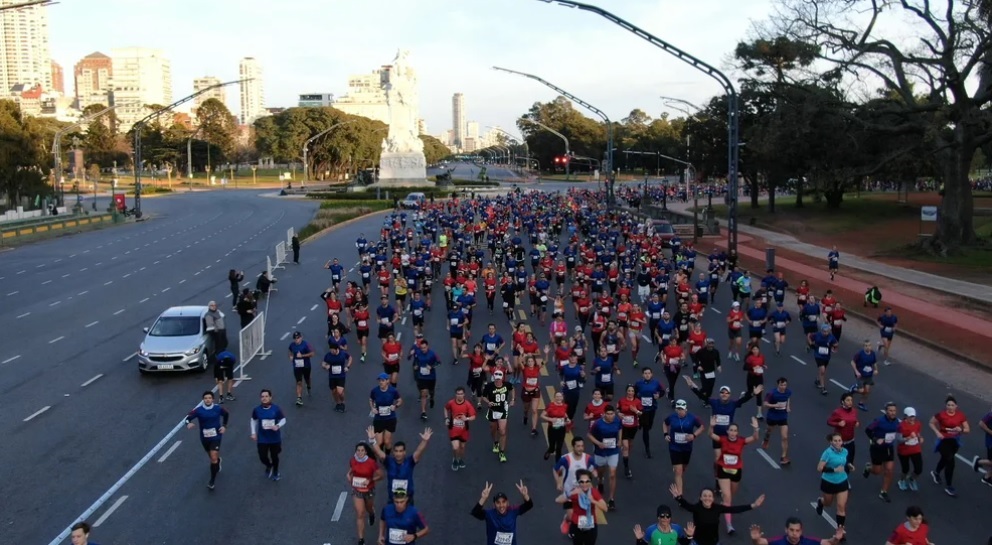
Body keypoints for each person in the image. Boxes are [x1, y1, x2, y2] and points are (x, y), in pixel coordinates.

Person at [709, 416, 760, 535]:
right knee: (727, 497)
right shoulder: (723, 439)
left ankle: (725, 504)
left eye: (735, 431)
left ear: (737, 433)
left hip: (736, 471)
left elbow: (754, 438)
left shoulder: (741, 441)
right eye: (731, 430)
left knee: (731, 496)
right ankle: (729, 525)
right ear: (727, 431)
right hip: (723, 470)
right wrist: (711, 426)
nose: (732, 433)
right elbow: (711, 435)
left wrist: (756, 428)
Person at [670, 483, 764, 545]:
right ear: (701, 498)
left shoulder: (717, 508)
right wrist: (678, 498)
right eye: (705, 496)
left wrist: (753, 505)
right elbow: (686, 505)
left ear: (713, 498)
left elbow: (734, 509)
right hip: (698, 542)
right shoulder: (697, 508)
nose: (707, 498)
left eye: (710, 496)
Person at [367, 426, 433, 504]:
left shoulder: (410, 462)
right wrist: (372, 440)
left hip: (407, 500)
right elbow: (378, 452)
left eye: (401, 451)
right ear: (393, 452)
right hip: (392, 500)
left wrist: (424, 441)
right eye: (396, 451)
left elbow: (419, 451)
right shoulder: (389, 461)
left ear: (404, 452)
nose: (398, 454)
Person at [185, 390, 230, 490]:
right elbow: (188, 418)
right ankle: (218, 460)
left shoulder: (218, 408)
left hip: (216, 436)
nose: (208, 400)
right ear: (203, 400)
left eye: (209, 398)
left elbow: (226, 414)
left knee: (213, 458)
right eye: (205, 398)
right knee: (212, 457)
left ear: (213, 399)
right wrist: (188, 423)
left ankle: (212, 481)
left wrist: (224, 426)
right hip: (204, 437)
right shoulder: (198, 410)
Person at [554, 436, 599, 536]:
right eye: (578, 446)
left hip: (583, 493)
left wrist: (595, 474)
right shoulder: (565, 459)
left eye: (582, 446)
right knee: (571, 516)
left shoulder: (588, 459)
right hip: (569, 492)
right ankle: (567, 520)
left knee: (580, 515)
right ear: (573, 447)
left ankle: (577, 531)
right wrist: (558, 482)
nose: (580, 448)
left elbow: (594, 470)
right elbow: (556, 470)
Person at [928, 394, 969, 496]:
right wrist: (937, 432)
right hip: (943, 440)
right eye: (948, 405)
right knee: (950, 461)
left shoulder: (960, 415)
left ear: (956, 406)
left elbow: (967, 429)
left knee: (945, 459)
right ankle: (949, 486)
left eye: (952, 405)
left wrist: (961, 429)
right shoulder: (941, 415)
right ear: (945, 406)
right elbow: (931, 423)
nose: (950, 407)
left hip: (954, 441)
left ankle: (936, 472)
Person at [470, 480, 533, 545]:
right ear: (494, 504)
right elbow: (475, 512)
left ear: (507, 503)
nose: (501, 505)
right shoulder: (489, 514)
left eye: (503, 502)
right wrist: (483, 498)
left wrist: (525, 495)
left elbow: (529, 505)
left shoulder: (513, 511)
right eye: (498, 502)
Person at [555, 468, 607, 545]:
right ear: (578, 482)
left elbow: (605, 508)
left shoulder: (594, 492)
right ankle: (566, 520)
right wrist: (570, 494)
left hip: (591, 525)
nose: (584, 484)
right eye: (582, 481)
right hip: (576, 525)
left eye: (587, 481)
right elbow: (557, 500)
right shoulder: (574, 491)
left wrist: (593, 501)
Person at [815, 433, 853, 536]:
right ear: (831, 442)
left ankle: (840, 530)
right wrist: (834, 470)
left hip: (842, 481)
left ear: (842, 441)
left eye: (839, 440)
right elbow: (819, 468)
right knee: (828, 503)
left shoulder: (845, 451)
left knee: (841, 506)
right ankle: (821, 502)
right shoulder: (827, 453)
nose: (837, 443)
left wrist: (849, 465)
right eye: (835, 441)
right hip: (828, 482)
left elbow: (844, 462)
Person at [664, 399, 705, 494]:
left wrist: (694, 435)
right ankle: (680, 495)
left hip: (687, 447)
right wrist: (665, 434)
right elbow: (665, 423)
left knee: (683, 467)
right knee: (678, 471)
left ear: (686, 409)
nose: (680, 411)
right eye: (678, 409)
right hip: (674, 447)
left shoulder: (692, 418)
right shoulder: (672, 417)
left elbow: (702, 426)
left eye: (682, 409)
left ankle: (680, 471)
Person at [862, 401, 900, 502]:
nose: (893, 413)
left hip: (889, 448)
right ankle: (868, 468)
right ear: (886, 411)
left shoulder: (897, 422)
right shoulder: (879, 421)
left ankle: (884, 492)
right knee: (877, 471)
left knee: (889, 470)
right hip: (877, 448)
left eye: (894, 411)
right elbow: (868, 430)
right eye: (890, 410)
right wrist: (875, 439)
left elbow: (900, 432)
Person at [589, 404, 622, 511]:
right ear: (604, 414)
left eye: (612, 414)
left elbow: (620, 429)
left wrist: (620, 439)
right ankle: (600, 481)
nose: (610, 416)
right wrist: (598, 443)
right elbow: (589, 435)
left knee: (612, 474)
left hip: (613, 451)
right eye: (608, 414)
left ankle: (611, 499)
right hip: (601, 452)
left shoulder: (617, 421)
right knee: (600, 471)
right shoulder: (598, 424)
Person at [349, 442, 383, 545]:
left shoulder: (371, 463)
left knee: (369, 508)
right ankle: (361, 540)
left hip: (369, 490)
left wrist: (370, 480)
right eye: (358, 450)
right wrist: (349, 475)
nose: (360, 453)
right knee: (360, 513)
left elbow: (381, 475)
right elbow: (352, 470)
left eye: (362, 450)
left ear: (366, 452)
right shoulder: (353, 460)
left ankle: (372, 513)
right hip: (357, 489)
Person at [250, 388, 286, 481]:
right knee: (262, 456)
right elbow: (253, 420)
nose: (264, 398)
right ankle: (269, 465)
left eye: (266, 396)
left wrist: (277, 426)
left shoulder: (276, 409)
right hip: (262, 438)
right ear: (260, 398)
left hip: (274, 438)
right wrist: (253, 433)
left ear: (270, 397)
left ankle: (276, 471)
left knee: (275, 456)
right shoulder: (257, 410)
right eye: (262, 396)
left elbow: (283, 419)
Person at [444, 387, 478, 471]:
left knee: (462, 447)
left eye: (461, 394)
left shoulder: (467, 404)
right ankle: (455, 460)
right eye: (458, 394)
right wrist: (446, 418)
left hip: (464, 430)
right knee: (456, 447)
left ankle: (460, 459)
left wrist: (466, 418)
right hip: (453, 429)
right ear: (455, 394)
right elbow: (445, 408)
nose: (459, 396)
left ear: (464, 394)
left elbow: (473, 416)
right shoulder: (451, 403)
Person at [484, 370, 514, 463]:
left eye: (499, 379)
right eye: (496, 379)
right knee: (493, 429)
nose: (497, 381)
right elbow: (483, 396)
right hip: (493, 410)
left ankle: (502, 452)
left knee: (502, 431)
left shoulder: (507, 385)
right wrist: (488, 402)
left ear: (502, 379)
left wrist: (513, 399)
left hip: (503, 410)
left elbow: (512, 388)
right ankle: (495, 442)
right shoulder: (489, 386)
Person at [762, 377, 792, 465]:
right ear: (778, 385)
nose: (783, 387)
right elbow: (765, 404)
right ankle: (766, 440)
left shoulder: (788, 392)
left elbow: (788, 398)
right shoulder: (771, 393)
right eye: (781, 385)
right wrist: (775, 405)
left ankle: (783, 457)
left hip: (782, 416)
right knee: (769, 431)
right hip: (772, 416)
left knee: (785, 437)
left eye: (785, 385)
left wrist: (788, 406)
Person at [749, 517, 845, 545]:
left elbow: (828, 543)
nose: (794, 533)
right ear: (786, 530)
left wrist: (836, 538)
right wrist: (755, 539)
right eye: (791, 530)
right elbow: (760, 542)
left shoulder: (808, 541)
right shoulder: (778, 541)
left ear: (801, 531)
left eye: (797, 530)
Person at [897, 407, 924, 491]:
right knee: (905, 469)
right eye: (910, 417)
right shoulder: (900, 426)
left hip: (915, 449)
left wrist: (920, 438)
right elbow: (899, 439)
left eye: (913, 416)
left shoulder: (918, 424)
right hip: (904, 450)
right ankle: (901, 480)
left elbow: (918, 433)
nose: (912, 418)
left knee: (919, 469)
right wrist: (908, 437)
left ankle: (912, 479)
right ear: (905, 416)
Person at [848, 340, 878, 411]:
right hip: (860, 375)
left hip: (869, 375)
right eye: (866, 346)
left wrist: (876, 370)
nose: (868, 347)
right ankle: (853, 389)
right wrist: (856, 371)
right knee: (861, 390)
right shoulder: (859, 354)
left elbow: (874, 363)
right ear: (863, 346)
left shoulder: (873, 353)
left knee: (867, 391)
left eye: (869, 345)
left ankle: (861, 403)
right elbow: (852, 362)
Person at [323, 342, 352, 412]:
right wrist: (325, 366)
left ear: (337, 349)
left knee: (340, 392)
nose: (332, 352)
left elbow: (350, 358)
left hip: (341, 376)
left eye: (333, 350)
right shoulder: (328, 355)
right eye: (331, 350)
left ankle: (343, 402)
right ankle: (338, 403)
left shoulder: (343, 354)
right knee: (333, 391)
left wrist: (348, 367)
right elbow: (323, 363)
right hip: (332, 376)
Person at [288, 331, 314, 406]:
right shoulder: (292, 345)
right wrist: (290, 356)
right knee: (298, 382)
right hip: (297, 366)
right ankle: (299, 398)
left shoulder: (306, 344)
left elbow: (312, 353)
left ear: (301, 337)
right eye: (295, 338)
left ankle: (308, 386)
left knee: (307, 379)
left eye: (298, 338)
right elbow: (290, 351)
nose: (296, 340)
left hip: (306, 366)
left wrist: (302, 355)